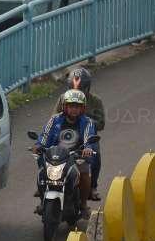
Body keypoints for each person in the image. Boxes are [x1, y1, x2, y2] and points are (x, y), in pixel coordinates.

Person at [32, 89, 96, 218]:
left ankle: (83, 205)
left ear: (82, 108)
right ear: (65, 107)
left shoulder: (87, 122)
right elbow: (45, 135)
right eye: (71, 106)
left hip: (76, 156)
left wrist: (87, 148)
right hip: (55, 156)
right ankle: (43, 200)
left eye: (77, 106)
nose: (74, 109)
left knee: (84, 174)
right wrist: (39, 145)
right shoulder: (54, 120)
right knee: (42, 173)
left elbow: (89, 138)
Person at [53, 68, 105, 200]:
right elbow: (54, 118)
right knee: (47, 152)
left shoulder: (96, 101)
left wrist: (85, 120)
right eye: (73, 88)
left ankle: (92, 187)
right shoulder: (62, 99)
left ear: (87, 88)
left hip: (86, 137)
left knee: (96, 155)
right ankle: (45, 182)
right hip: (66, 135)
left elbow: (101, 123)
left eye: (81, 89)